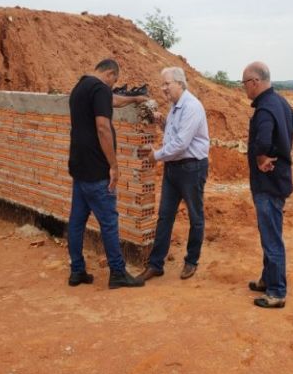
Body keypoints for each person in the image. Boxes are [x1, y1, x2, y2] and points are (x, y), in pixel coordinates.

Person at [67, 58, 147, 289]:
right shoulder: (101, 88)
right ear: (111, 74)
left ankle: (77, 271)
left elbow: (112, 101)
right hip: (97, 170)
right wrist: (114, 165)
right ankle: (118, 273)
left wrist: (134, 98)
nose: (113, 86)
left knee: (76, 222)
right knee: (109, 223)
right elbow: (103, 128)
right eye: (115, 81)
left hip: (79, 167)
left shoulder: (81, 86)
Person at [139, 67, 209, 282]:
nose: (163, 88)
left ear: (180, 83)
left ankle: (191, 261)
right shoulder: (175, 107)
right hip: (173, 169)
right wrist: (163, 123)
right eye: (163, 84)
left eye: (167, 84)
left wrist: (156, 156)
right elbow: (174, 134)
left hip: (192, 169)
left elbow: (181, 143)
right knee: (165, 216)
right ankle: (155, 264)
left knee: (195, 217)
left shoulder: (192, 107)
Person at [241, 61, 293, 308]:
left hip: (268, 182)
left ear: (255, 82)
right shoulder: (281, 102)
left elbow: (261, 141)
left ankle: (276, 292)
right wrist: (282, 148)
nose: (244, 89)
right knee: (269, 233)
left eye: (244, 83)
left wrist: (262, 156)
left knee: (272, 238)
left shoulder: (264, 109)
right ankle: (267, 279)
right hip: (280, 178)